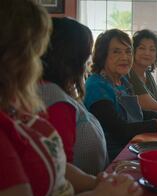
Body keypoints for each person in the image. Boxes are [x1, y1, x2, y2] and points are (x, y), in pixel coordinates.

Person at [0, 0, 141, 196]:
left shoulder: (13, 107)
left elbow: (56, 163)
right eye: (35, 52)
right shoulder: (55, 99)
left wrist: (96, 183)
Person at [84, 29, 157, 160]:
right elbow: (120, 130)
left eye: (128, 51)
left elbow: (137, 113)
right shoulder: (96, 86)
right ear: (102, 55)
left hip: (132, 145)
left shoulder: (123, 81)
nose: (124, 57)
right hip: (113, 156)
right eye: (116, 52)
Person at [39, 17, 108, 175]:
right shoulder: (55, 100)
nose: (88, 62)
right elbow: (61, 173)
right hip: (81, 195)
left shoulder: (62, 90)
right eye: (86, 56)